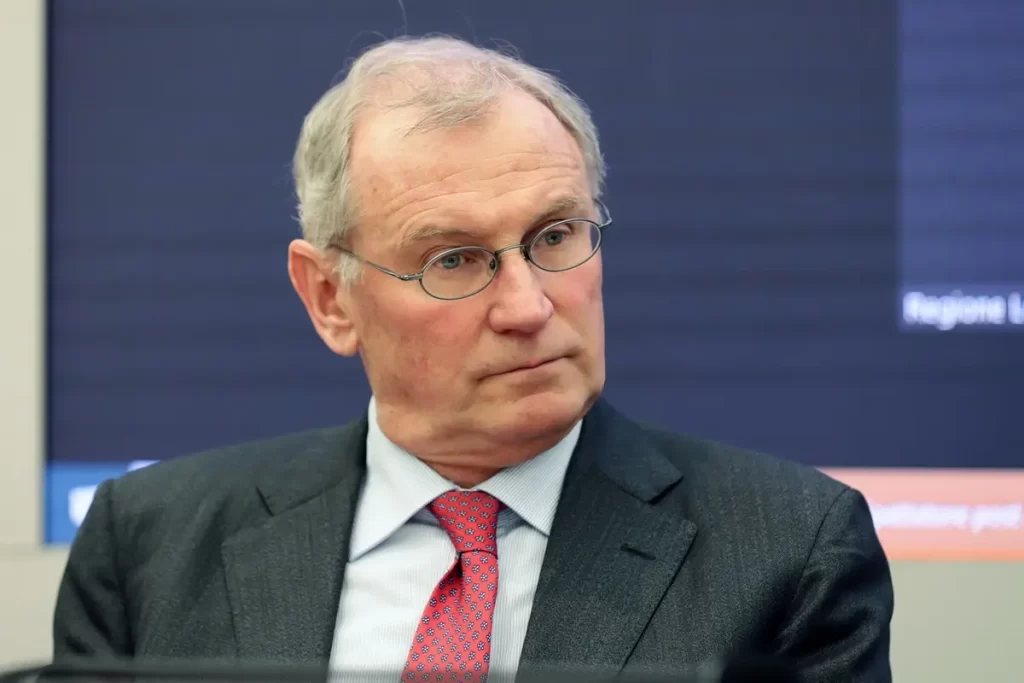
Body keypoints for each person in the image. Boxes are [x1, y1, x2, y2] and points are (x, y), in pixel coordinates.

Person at [53, 36, 894, 683]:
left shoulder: (788, 551)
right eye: (453, 259)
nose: (528, 306)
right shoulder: (151, 544)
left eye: (555, 235)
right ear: (330, 297)